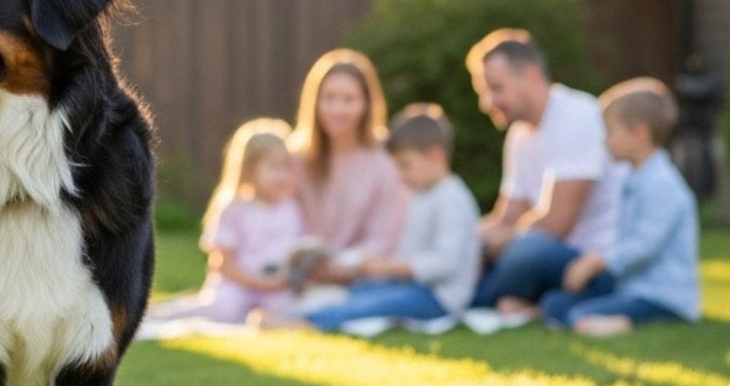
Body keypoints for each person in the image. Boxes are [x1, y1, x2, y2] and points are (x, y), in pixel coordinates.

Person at [466, 30, 625, 316]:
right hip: (549, 255)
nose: (487, 102)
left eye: (496, 88)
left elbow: (557, 223)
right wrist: (464, 241)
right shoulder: (519, 135)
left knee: (527, 250)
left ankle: (491, 297)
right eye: (484, 92)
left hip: (592, 260)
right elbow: (507, 217)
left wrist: (491, 247)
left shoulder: (575, 117)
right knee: (470, 258)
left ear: (531, 76)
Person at [297, 104, 481, 333]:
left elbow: (445, 263)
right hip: (412, 286)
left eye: (406, 166)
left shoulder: (451, 199)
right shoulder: (422, 193)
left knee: (377, 304)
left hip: (439, 297)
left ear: (436, 156)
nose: (401, 176)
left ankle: (309, 321)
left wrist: (392, 267)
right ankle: (307, 312)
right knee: (364, 290)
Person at [543, 78, 701, 336]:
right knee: (554, 304)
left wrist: (596, 262)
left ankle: (621, 323)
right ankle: (594, 318)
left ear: (640, 134)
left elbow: (643, 247)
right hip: (630, 289)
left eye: (610, 131)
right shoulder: (632, 178)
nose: (605, 141)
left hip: (662, 297)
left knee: (578, 315)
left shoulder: (663, 185)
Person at [147, 119, 306, 324]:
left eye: (286, 167)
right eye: (274, 167)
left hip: (276, 287)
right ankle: (161, 314)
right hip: (237, 284)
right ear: (249, 169)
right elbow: (222, 264)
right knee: (224, 310)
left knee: (288, 310)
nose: (281, 175)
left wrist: (281, 281)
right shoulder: (234, 209)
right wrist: (260, 283)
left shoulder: (291, 209)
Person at [289, 49, 408, 281]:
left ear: (366, 104)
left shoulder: (386, 159)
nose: (337, 110)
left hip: (361, 276)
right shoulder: (295, 158)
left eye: (348, 99)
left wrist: (340, 267)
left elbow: (385, 236)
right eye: (329, 98)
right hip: (299, 274)